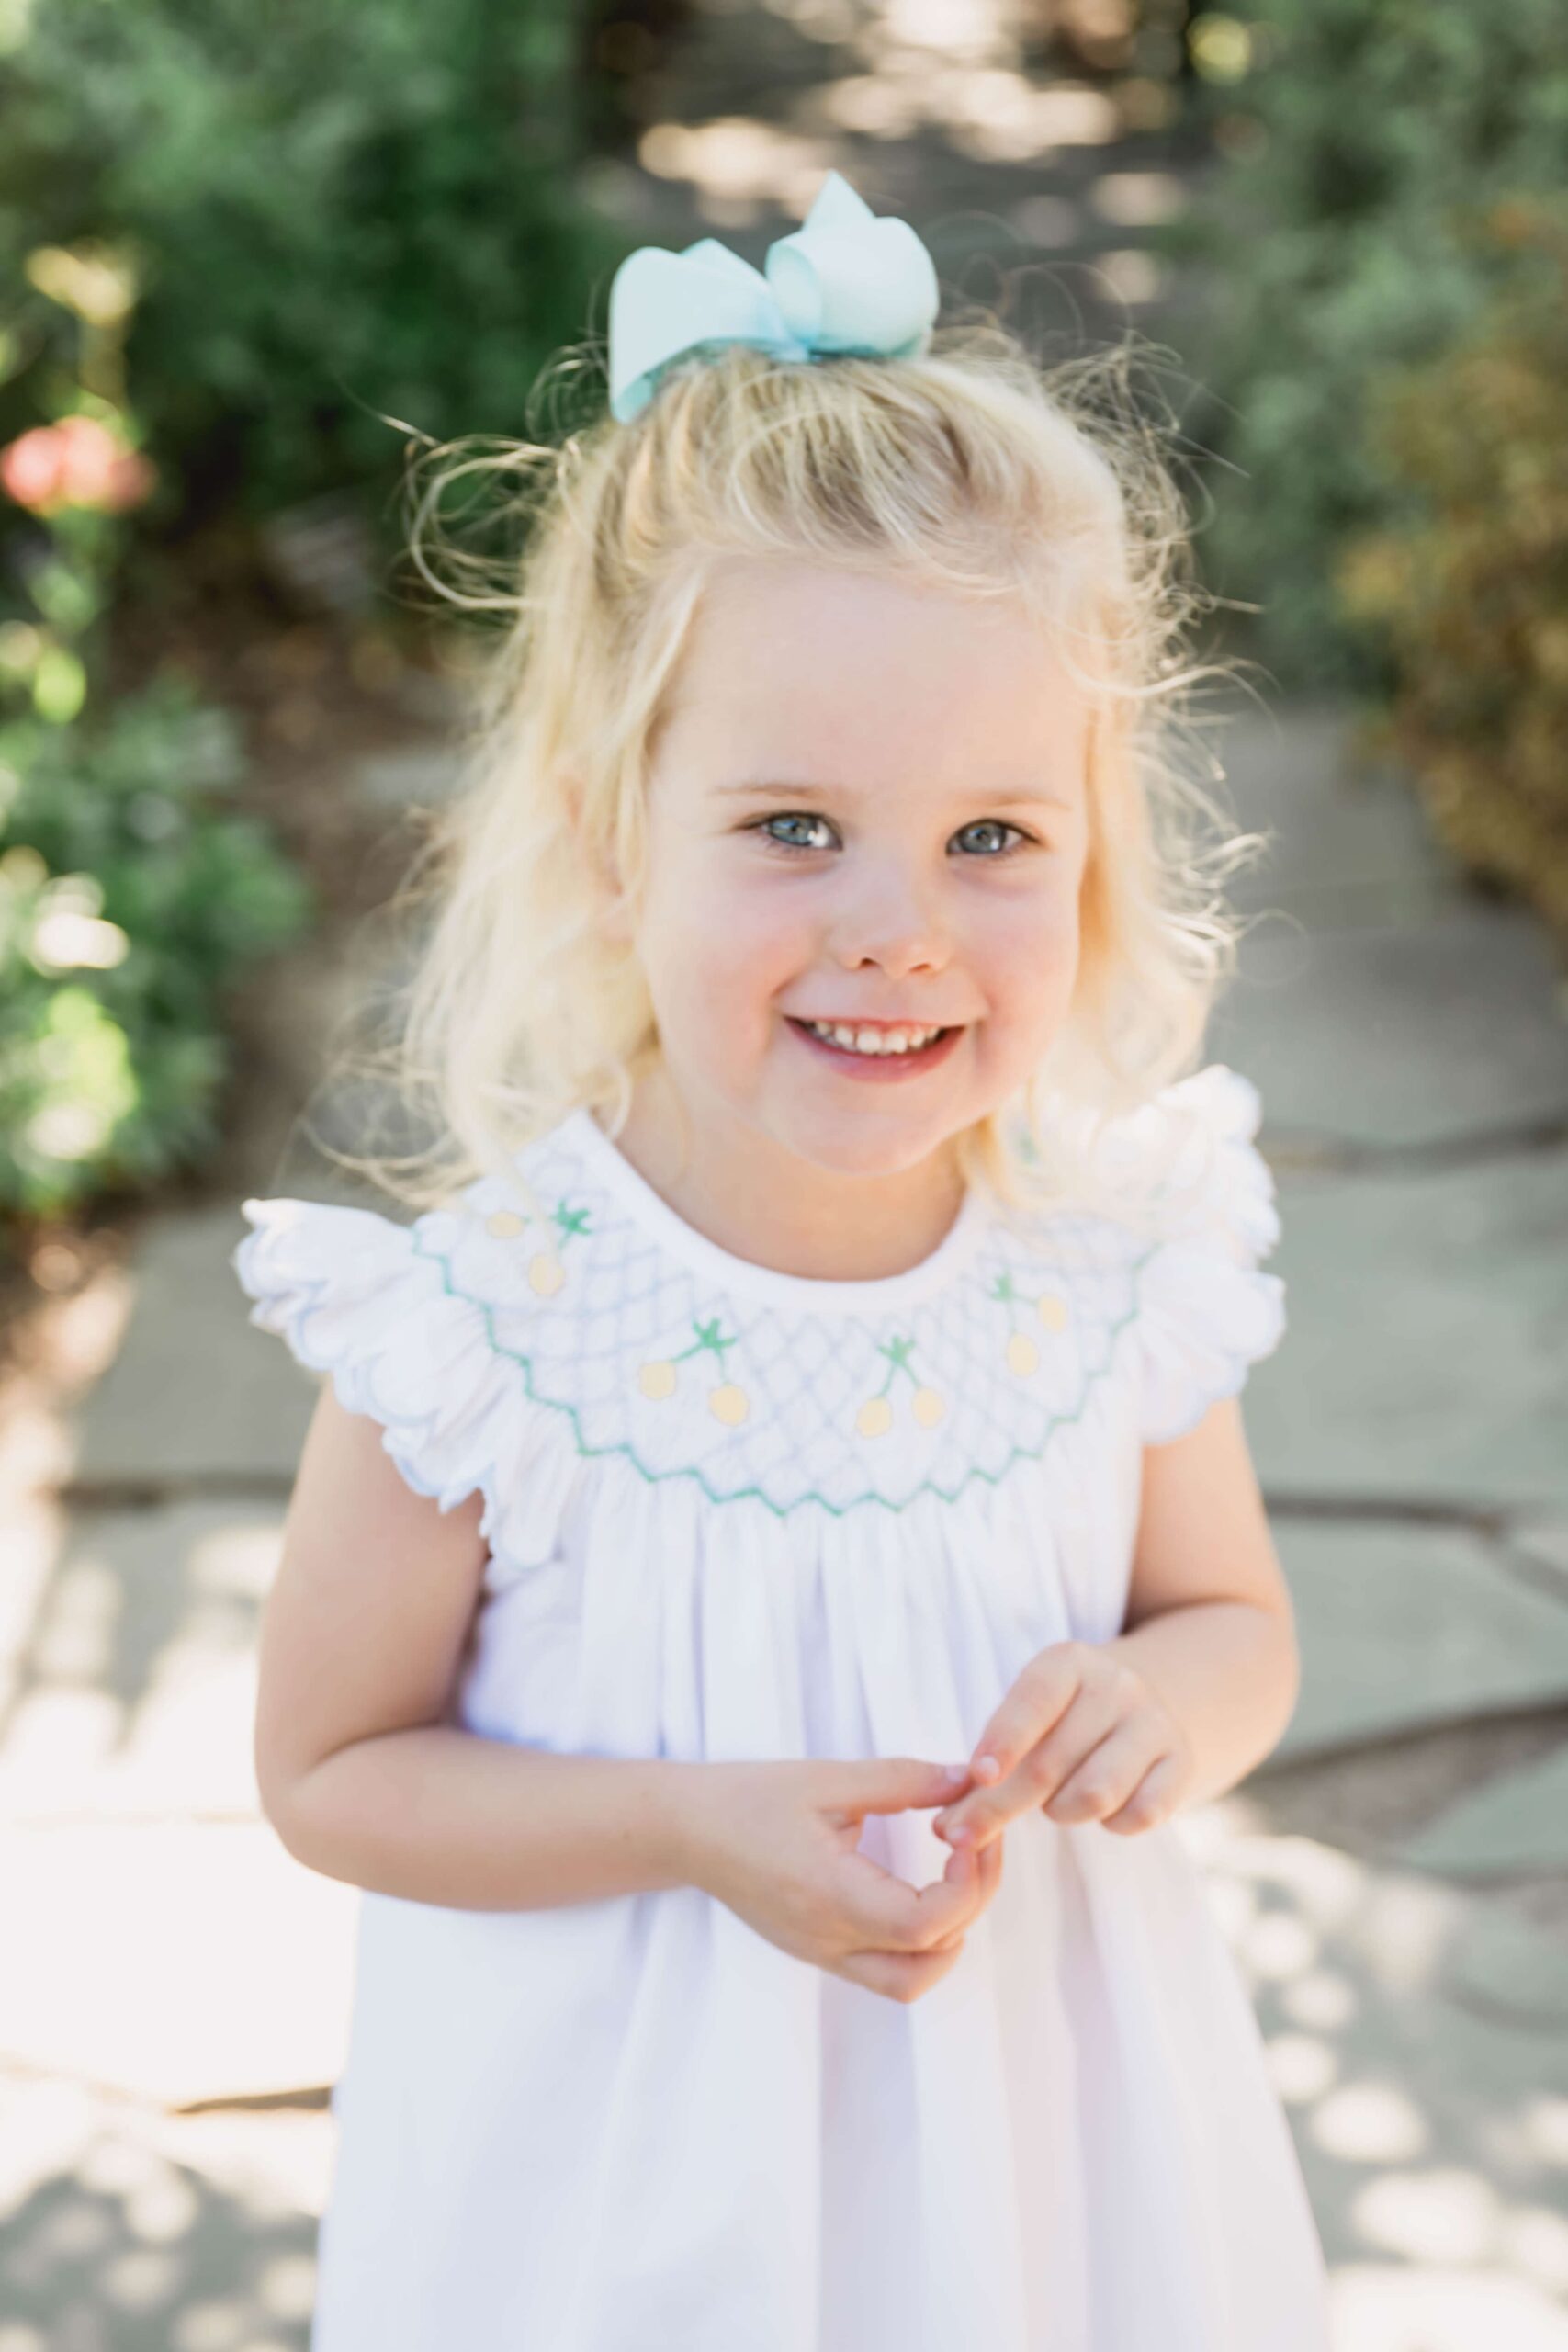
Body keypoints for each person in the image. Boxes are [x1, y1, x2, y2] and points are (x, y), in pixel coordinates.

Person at [231, 170, 1332, 2351]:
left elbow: (1235, 1626)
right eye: (791, 827)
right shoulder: (488, 1334)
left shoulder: (1106, 1254)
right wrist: (686, 1820)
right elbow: (328, 1769)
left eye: (989, 838)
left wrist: (1159, 1705)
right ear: (605, 832)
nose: (893, 925)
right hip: (630, 2203)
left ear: (1094, 841)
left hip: (1041, 2170)